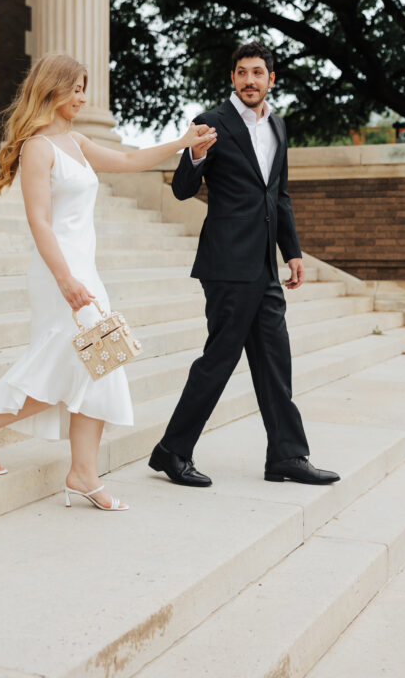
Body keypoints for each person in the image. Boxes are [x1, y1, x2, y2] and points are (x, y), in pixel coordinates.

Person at [0, 52, 216, 512]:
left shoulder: (77, 141)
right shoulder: (37, 147)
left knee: (102, 363)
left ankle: (82, 473)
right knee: (67, 364)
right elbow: (40, 221)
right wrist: (66, 279)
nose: (83, 97)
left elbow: (130, 160)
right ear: (52, 88)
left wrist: (182, 142)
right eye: (76, 88)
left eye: (84, 87)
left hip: (84, 270)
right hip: (58, 272)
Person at [149, 41, 340, 487]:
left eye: (258, 73)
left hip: (264, 266)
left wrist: (292, 251)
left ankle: (288, 457)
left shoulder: (278, 126)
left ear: (271, 79)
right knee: (219, 359)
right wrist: (196, 154)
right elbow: (181, 188)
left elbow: (279, 193)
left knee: (276, 360)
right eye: (242, 73)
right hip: (227, 264)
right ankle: (172, 451)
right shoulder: (211, 122)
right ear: (232, 78)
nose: (249, 80)